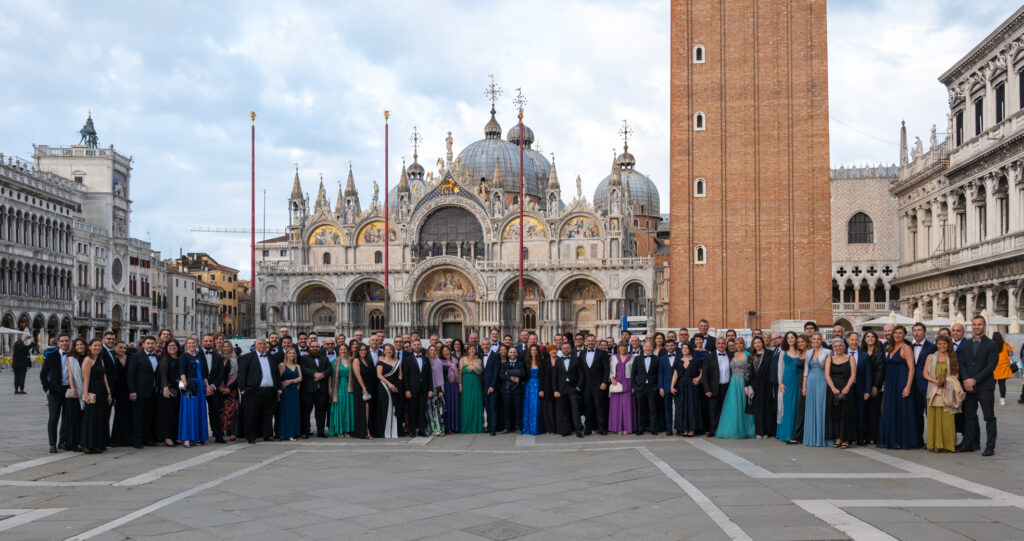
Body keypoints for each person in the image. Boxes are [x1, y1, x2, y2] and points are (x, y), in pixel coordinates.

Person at [957, 316, 998, 456]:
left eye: (979, 324)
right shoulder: (966, 344)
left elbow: (991, 366)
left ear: (984, 326)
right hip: (968, 387)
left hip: (985, 386)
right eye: (974, 324)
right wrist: (967, 380)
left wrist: (974, 380)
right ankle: (968, 443)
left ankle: (990, 446)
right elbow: (962, 364)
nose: (976, 327)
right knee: (969, 416)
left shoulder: (991, 344)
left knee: (989, 417)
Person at [877, 325, 918, 450]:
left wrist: (908, 386)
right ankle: (892, 439)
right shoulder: (889, 348)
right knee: (890, 410)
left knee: (901, 411)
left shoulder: (906, 348)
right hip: (890, 383)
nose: (897, 335)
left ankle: (901, 440)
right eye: (896, 333)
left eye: (900, 333)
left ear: (904, 335)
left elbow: (912, 369)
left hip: (901, 382)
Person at [237, 338, 282, 443]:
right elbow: (242, 375)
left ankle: (267, 435)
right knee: (251, 415)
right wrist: (243, 390)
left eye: (264, 344)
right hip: (252, 391)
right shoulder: (246, 357)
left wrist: (279, 388)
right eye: (260, 344)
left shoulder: (271, 358)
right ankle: (251, 436)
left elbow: (276, 375)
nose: (262, 345)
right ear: (255, 345)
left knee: (268, 414)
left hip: (270, 391)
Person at [924, 336, 959, 452]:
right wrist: (936, 381)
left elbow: (956, 374)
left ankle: (948, 444)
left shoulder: (953, 357)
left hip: (948, 390)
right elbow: (925, 374)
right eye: (940, 344)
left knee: (948, 418)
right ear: (936, 344)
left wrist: (947, 382)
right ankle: (934, 444)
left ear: (948, 345)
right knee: (933, 418)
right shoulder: (930, 357)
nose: (942, 346)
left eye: (944, 344)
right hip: (933, 390)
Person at [716, 338, 755, 439]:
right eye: (736, 343)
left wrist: (749, 386)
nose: (738, 345)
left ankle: (747, 429)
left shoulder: (748, 355)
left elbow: (751, 372)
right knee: (733, 405)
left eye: (740, 343)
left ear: (744, 344)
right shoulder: (733, 355)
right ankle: (733, 429)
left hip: (744, 383)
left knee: (745, 404)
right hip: (733, 383)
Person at [79, 339, 112, 453]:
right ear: (89, 347)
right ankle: (87, 444)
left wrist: (108, 392)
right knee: (91, 418)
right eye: (95, 346)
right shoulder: (87, 360)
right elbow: (86, 379)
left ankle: (98, 444)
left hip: (102, 390)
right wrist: (86, 394)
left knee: (100, 417)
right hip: (92, 389)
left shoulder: (100, 360)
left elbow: (105, 377)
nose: (97, 348)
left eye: (99, 346)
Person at [40, 334, 71, 453]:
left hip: (69, 390)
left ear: (70, 342)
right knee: (53, 418)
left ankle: (62, 441)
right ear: (58, 343)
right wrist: (47, 389)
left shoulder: (74, 355)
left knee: (66, 417)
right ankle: (52, 443)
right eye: (62, 341)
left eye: (66, 341)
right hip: (55, 391)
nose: (64, 343)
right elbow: (43, 374)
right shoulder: (51, 356)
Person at [178, 338, 211, 448]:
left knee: (199, 411)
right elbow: (182, 372)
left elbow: (204, 373)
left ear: (197, 344)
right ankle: (187, 438)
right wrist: (186, 385)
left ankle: (197, 437)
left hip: (200, 385)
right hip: (190, 386)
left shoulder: (199, 356)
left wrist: (207, 386)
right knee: (189, 411)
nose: (192, 345)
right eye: (189, 343)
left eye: (193, 343)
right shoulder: (184, 356)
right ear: (186, 345)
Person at [128, 336, 160, 449]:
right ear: (144, 344)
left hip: (153, 392)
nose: (150, 345)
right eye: (148, 343)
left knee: (149, 417)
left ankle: (148, 439)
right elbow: (131, 375)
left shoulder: (157, 357)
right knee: (138, 417)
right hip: (139, 392)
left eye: (152, 343)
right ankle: (137, 440)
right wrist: (132, 391)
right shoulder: (136, 356)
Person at [825, 337, 856, 449]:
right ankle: (837, 438)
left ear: (844, 347)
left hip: (847, 388)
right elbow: (827, 375)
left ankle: (845, 439)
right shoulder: (830, 358)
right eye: (835, 346)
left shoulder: (850, 358)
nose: (838, 348)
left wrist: (847, 387)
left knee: (846, 414)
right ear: (833, 348)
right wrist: (833, 388)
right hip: (833, 389)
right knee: (835, 415)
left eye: (840, 346)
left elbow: (853, 375)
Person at [909, 323, 936, 448]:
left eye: (919, 330)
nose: (916, 333)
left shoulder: (932, 347)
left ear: (924, 332)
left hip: (926, 385)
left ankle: (931, 440)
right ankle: (918, 440)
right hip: (912, 386)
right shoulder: (909, 347)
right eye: (914, 330)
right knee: (916, 415)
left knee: (929, 414)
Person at [298, 339, 331, 439]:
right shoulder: (304, 359)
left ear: (320, 348)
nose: (315, 348)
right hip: (308, 390)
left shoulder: (324, 358)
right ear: (309, 347)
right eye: (313, 347)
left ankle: (320, 431)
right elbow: (303, 369)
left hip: (321, 390)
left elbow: (330, 369)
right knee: (306, 411)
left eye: (317, 347)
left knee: (321, 411)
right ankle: (306, 431)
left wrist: (323, 375)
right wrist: (315, 374)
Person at [802, 333, 831, 447]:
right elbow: (805, 371)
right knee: (811, 408)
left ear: (821, 340)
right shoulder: (808, 352)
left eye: (818, 339)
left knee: (821, 407)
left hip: (823, 381)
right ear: (811, 340)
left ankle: (821, 438)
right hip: (810, 381)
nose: (816, 341)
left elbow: (830, 370)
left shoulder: (828, 352)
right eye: (814, 339)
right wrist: (804, 387)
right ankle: (811, 438)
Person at [578, 335, 610, 435]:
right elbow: (581, 371)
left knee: (600, 407)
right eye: (589, 341)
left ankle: (602, 428)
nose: (591, 342)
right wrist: (581, 384)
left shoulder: (602, 353)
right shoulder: (582, 353)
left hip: (599, 385)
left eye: (592, 341)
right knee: (588, 407)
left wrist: (604, 382)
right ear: (585, 342)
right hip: (586, 386)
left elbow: (606, 369)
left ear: (595, 341)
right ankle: (588, 428)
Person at [552, 341, 584, 437]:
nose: (566, 350)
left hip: (573, 388)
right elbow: (555, 377)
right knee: (564, 410)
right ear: (561, 350)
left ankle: (578, 430)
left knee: (575, 410)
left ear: (571, 349)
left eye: (568, 348)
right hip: (562, 389)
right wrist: (555, 390)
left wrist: (578, 387)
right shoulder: (558, 361)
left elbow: (581, 375)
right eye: (564, 348)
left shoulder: (577, 360)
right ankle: (566, 430)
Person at [858, 331, 885, 445]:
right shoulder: (861, 352)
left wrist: (875, 385)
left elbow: (880, 369)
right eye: (868, 337)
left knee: (874, 412)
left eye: (872, 337)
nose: (870, 338)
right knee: (863, 411)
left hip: (875, 385)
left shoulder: (879, 352)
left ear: (876, 339)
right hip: (862, 384)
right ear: (864, 339)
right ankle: (863, 435)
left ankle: (873, 436)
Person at [198, 335, 225, 444]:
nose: (208, 343)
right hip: (200, 387)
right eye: (206, 341)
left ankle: (218, 435)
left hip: (213, 388)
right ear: (202, 342)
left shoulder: (218, 356)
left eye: (210, 341)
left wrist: (213, 386)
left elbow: (221, 373)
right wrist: (205, 386)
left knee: (215, 412)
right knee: (200, 412)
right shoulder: (197, 355)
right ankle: (200, 436)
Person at [775, 332, 802, 444]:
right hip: (786, 382)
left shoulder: (801, 352)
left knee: (796, 408)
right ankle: (786, 434)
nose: (791, 339)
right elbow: (780, 368)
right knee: (787, 408)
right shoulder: (783, 352)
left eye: (792, 337)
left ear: (796, 339)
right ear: (786, 340)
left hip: (797, 382)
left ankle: (795, 434)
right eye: (788, 338)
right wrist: (780, 383)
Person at [671, 342, 702, 436]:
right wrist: (672, 386)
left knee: (692, 407)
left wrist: (698, 378)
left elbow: (702, 372)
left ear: (690, 350)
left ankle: (692, 429)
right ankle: (684, 429)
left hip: (692, 386)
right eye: (683, 348)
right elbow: (675, 374)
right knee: (682, 407)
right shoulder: (678, 361)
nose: (685, 350)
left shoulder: (696, 361)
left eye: (686, 348)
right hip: (681, 386)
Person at [702, 337, 732, 437]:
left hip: (727, 387)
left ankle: (723, 429)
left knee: (725, 409)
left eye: (723, 343)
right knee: (713, 409)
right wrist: (707, 389)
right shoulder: (709, 357)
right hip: (714, 387)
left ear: (726, 345)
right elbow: (705, 375)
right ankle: (712, 429)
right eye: (719, 343)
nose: (721, 345)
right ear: (715, 345)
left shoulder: (731, 356)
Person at [631, 339, 661, 435]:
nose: (648, 348)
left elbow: (659, 374)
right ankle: (641, 428)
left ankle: (653, 428)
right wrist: (635, 386)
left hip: (652, 388)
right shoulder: (637, 359)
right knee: (641, 409)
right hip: (640, 388)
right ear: (643, 347)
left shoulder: (657, 359)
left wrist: (657, 386)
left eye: (649, 346)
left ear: (652, 348)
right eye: (646, 346)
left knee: (653, 409)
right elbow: (633, 374)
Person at [746, 336, 774, 438]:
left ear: (762, 343)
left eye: (759, 342)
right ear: (753, 345)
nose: (757, 344)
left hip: (767, 384)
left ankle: (766, 431)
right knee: (757, 409)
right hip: (755, 385)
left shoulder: (769, 354)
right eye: (755, 343)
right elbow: (748, 371)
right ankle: (759, 431)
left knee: (766, 408)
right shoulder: (751, 356)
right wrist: (747, 385)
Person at [402, 340, 431, 438]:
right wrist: (407, 390)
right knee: (412, 410)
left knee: (422, 410)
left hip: (424, 389)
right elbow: (405, 376)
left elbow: (429, 376)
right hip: (412, 389)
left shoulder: (426, 359)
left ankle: (422, 430)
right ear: (412, 347)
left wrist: (430, 389)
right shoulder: (407, 359)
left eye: (418, 344)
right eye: (415, 345)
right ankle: (413, 431)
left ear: (421, 346)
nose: (417, 346)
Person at [156, 340, 181, 447]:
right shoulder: (165, 359)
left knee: (175, 414)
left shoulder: (180, 358)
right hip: (168, 390)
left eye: (174, 345)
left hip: (178, 390)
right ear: (166, 348)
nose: (172, 347)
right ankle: (167, 437)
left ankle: (174, 436)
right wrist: (165, 388)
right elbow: (163, 374)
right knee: (166, 415)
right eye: (169, 346)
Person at [64, 338, 88, 452]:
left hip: (87, 390)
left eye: (81, 344)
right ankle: (74, 443)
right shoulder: (71, 359)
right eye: (77, 345)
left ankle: (84, 441)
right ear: (74, 347)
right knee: (75, 419)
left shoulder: (89, 357)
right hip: (75, 392)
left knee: (85, 419)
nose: (79, 346)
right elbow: (70, 375)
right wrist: (73, 389)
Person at [275, 347, 302, 441]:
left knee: (294, 412)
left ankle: (293, 433)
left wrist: (291, 381)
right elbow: (278, 379)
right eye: (290, 353)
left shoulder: (297, 366)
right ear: (286, 354)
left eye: (293, 353)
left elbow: (300, 378)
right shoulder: (282, 365)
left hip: (294, 391)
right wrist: (280, 387)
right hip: (285, 392)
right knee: (285, 412)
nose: (292, 355)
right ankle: (284, 433)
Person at [375, 343, 402, 438]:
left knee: (395, 407)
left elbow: (400, 375)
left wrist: (397, 385)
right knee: (385, 407)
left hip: (395, 387)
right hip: (384, 387)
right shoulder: (380, 362)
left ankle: (395, 430)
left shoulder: (397, 361)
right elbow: (379, 375)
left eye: (390, 349)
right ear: (384, 351)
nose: (388, 351)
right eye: (386, 349)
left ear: (393, 351)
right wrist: (389, 384)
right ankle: (384, 431)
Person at [608, 342, 634, 435]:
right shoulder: (613, 357)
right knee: (616, 407)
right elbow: (610, 369)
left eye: (624, 347)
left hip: (628, 383)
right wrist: (611, 379)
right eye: (621, 347)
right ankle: (618, 428)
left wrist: (633, 386)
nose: (623, 349)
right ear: (618, 348)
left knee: (627, 407)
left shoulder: (632, 358)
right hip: (616, 383)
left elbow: (634, 372)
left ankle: (627, 428)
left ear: (627, 348)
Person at [109, 341, 132, 447]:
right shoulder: (112, 359)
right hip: (117, 390)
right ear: (115, 348)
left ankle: (128, 438)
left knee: (128, 414)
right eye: (120, 347)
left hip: (128, 389)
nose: (122, 350)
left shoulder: (130, 358)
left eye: (124, 348)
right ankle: (117, 439)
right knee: (118, 414)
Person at [328, 343, 354, 437]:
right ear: (338, 351)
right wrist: (330, 388)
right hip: (338, 387)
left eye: (345, 349)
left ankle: (347, 430)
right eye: (341, 349)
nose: (343, 351)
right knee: (340, 408)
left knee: (348, 408)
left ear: (348, 350)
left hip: (350, 387)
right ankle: (339, 430)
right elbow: (330, 376)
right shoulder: (334, 362)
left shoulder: (352, 361)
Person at [459, 345, 484, 434]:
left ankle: (477, 427)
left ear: (476, 351)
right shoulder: (462, 360)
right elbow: (460, 374)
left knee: (476, 404)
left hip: (476, 384)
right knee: (466, 404)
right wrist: (460, 385)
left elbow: (481, 374)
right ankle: (466, 427)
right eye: (470, 349)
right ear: (467, 350)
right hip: (466, 384)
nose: (472, 350)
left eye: (473, 349)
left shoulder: (479, 360)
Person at [499, 346, 525, 433]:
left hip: (517, 391)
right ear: (508, 354)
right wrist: (511, 377)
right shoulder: (504, 364)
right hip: (506, 391)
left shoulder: (520, 363)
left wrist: (509, 372)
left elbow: (522, 373)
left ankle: (518, 427)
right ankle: (507, 427)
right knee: (507, 409)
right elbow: (501, 375)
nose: (512, 354)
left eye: (514, 352)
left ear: (517, 354)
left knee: (518, 409)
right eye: (511, 352)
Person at [218, 340, 240, 441]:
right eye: (224, 347)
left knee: (233, 411)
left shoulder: (235, 360)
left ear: (231, 348)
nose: (225, 348)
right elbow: (215, 374)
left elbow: (237, 376)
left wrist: (229, 388)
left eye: (228, 347)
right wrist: (220, 387)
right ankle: (222, 431)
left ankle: (232, 432)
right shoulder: (218, 359)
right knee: (221, 410)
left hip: (232, 389)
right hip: (219, 389)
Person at [522, 344, 544, 435]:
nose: (533, 352)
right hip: (528, 387)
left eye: (535, 350)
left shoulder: (541, 362)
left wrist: (542, 389)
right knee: (528, 406)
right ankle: (528, 427)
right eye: (532, 350)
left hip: (538, 386)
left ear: (538, 351)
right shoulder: (526, 362)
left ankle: (536, 427)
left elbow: (543, 376)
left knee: (537, 406)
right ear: (529, 352)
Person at [659, 339, 680, 434]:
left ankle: (679, 427)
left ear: (675, 345)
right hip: (666, 386)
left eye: (671, 345)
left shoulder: (680, 356)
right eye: (668, 346)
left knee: (679, 407)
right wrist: (661, 387)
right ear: (665, 347)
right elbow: (660, 373)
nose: (670, 347)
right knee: (667, 408)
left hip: (678, 386)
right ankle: (669, 428)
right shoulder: (662, 358)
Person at [482, 342, 502, 436]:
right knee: (487, 407)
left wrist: (492, 386)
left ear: (490, 346)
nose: (485, 346)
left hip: (492, 387)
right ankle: (489, 426)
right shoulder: (480, 356)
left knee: (492, 407)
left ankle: (493, 429)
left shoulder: (496, 356)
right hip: (482, 386)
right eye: (483, 344)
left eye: (487, 344)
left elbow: (496, 372)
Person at [440, 344, 461, 434]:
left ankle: (454, 427)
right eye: (444, 351)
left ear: (450, 351)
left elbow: (459, 374)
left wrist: (460, 384)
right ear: (442, 353)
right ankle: (447, 427)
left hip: (454, 386)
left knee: (455, 406)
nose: (446, 352)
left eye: (447, 350)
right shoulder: (440, 362)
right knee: (447, 407)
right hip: (446, 386)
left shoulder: (456, 361)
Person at [427, 345, 447, 436]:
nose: (433, 352)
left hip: (436, 388)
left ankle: (439, 429)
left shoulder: (438, 362)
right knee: (428, 410)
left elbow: (440, 377)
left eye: (434, 350)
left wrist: (440, 390)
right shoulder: (426, 361)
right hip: (428, 388)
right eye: (431, 350)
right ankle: (431, 428)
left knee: (437, 410)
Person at [991, 332, 1014, 406]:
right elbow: (1011, 352)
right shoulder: (1005, 345)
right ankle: (1002, 399)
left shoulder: (991, 345)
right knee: (1002, 385)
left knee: (991, 384)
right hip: (1003, 367)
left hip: (993, 367)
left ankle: (990, 398)